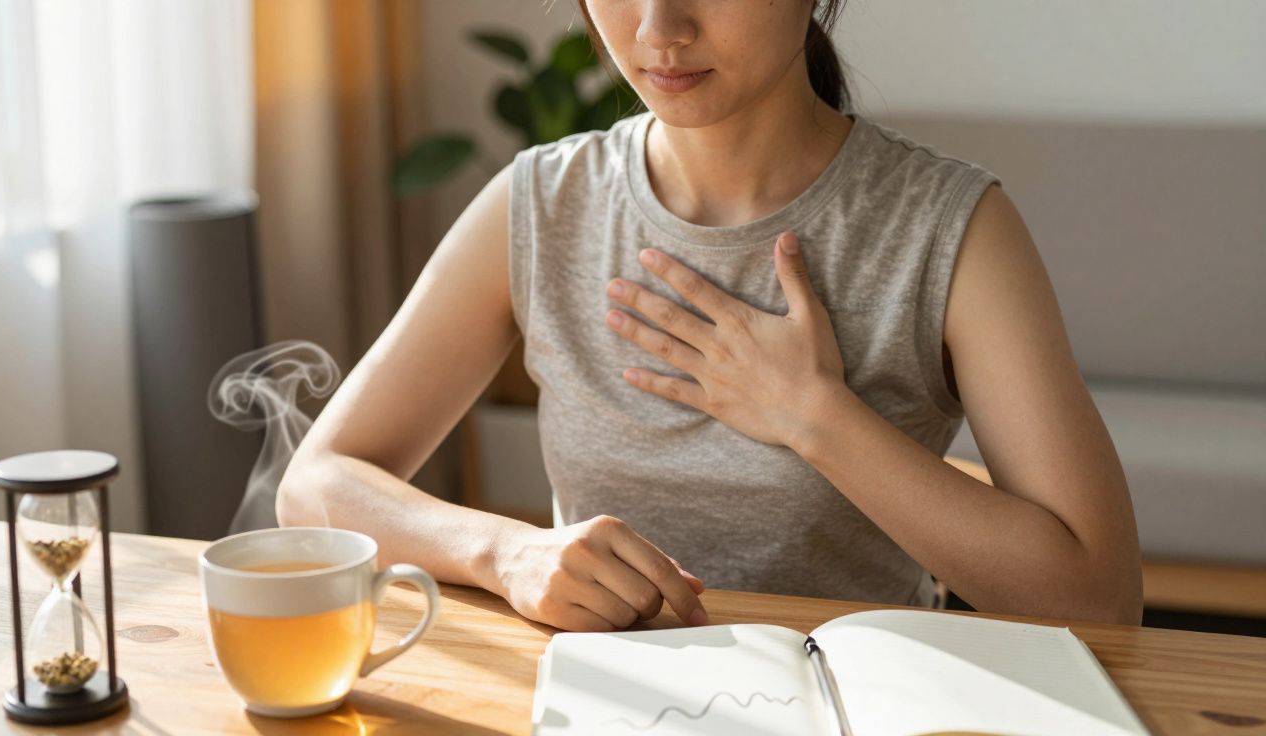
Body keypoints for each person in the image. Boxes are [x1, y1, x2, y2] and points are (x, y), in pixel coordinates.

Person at [277, 0, 1144, 632]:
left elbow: (1101, 597)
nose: (660, 27)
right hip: (604, 700)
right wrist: (508, 553)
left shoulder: (950, 228)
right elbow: (316, 486)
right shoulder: (542, 204)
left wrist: (815, 417)